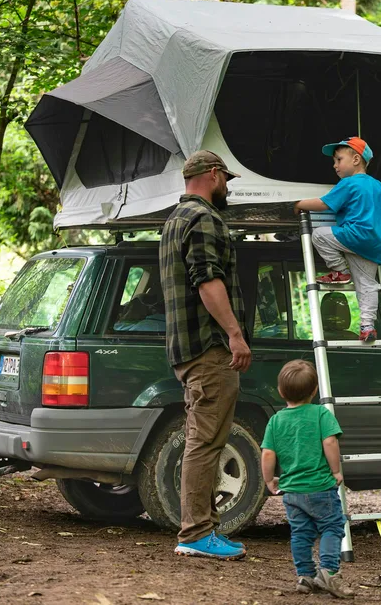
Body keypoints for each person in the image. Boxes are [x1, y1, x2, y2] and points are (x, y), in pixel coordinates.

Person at [160, 150, 252, 560]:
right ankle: (197, 533)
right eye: (227, 180)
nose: (227, 187)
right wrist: (235, 334)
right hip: (208, 347)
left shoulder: (173, 220)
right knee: (205, 442)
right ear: (214, 176)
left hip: (185, 349)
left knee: (204, 439)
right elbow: (207, 280)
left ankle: (203, 530)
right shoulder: (205, 219)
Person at [261, 360, 354, 598]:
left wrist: (269, 479)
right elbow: (330, 442)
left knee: (300, 533)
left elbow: (268, 453)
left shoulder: (276, 421)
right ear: (314, 390)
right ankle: (329, 572)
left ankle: (304, 577)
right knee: (332, 526)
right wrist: (335, 471)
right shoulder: (321, 414)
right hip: (320, 487)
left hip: (292, 491)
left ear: (281, 392)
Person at [294, 137, 381, 343]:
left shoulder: (348, 183)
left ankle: (340, 270)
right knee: (367, 284)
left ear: (356, 159)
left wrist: (299, 203)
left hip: (353, 235)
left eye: (338, 159)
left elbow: (324, 204)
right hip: (373, 243)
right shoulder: (377, 186)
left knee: (319, 236)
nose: (335, 165)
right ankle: (367, 326)